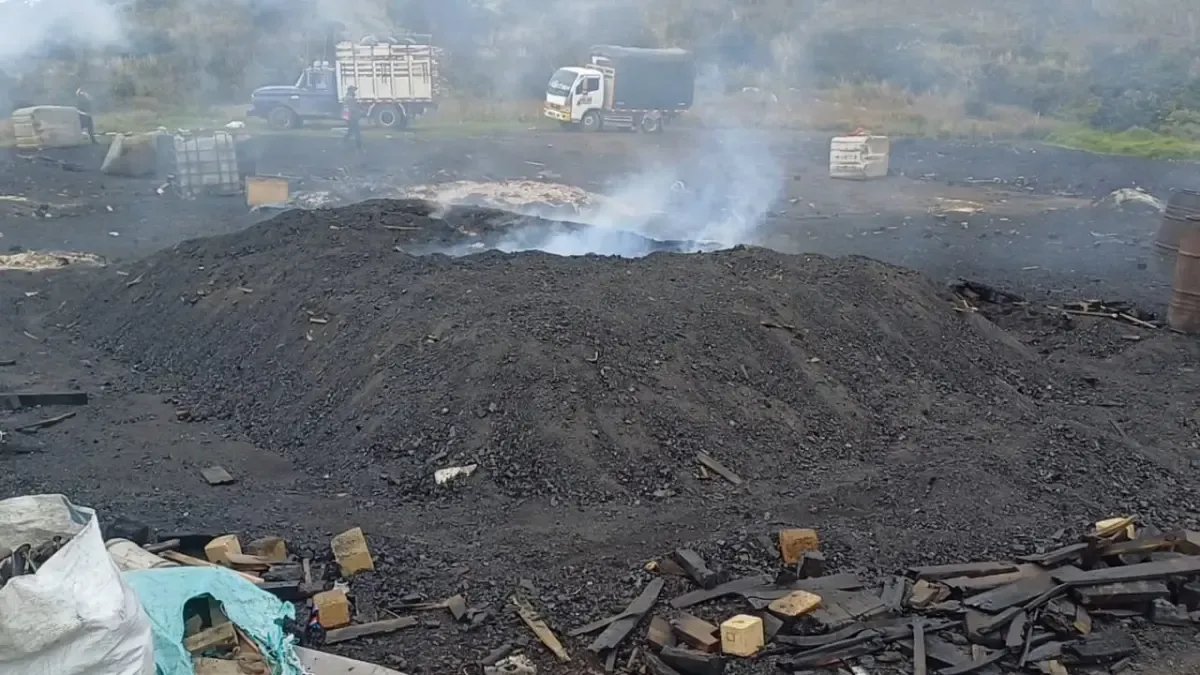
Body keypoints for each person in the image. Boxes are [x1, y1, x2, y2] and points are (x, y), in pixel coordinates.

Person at [343, 86, 363, 151]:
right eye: (354, 90)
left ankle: (343, 142)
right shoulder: (350, 99)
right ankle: (359, 145)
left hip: (351, 117)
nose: (355, 92)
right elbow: (352, 109)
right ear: (350, 91)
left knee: (351, 131)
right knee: (357, 132)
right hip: (352, 117)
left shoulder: (348, 98)